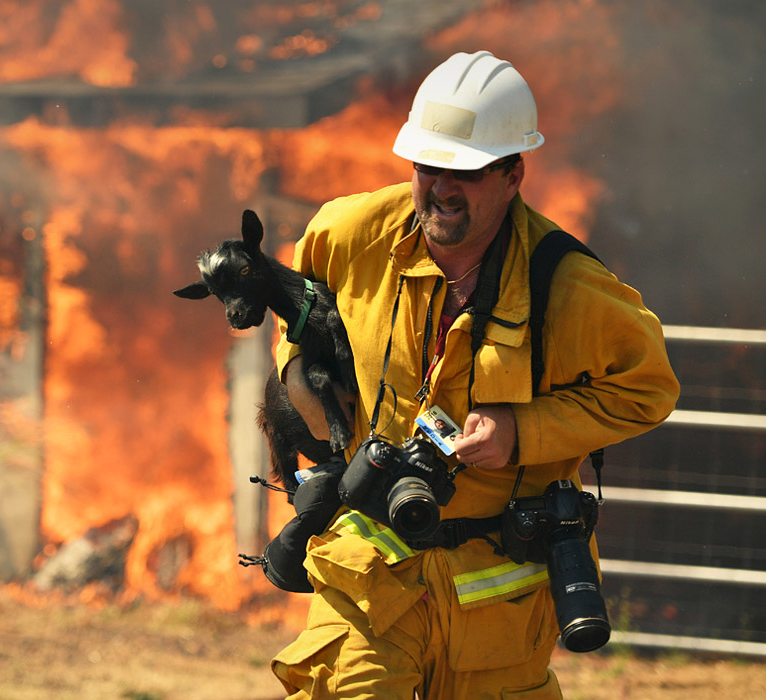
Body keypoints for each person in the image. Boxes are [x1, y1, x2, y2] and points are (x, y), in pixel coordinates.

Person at [268, 50, 679, 699]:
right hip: (369, 574)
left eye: (465, 170)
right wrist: (303, 384)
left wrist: (523, 430)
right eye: (428, 166)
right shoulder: (347, 236)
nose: (441, 187)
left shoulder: (568, 288)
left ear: (514, 174)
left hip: (495, 603)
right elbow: (299, 315)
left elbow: (650, 389)